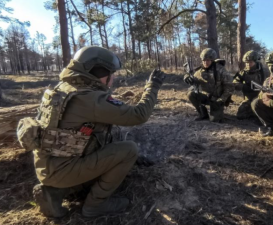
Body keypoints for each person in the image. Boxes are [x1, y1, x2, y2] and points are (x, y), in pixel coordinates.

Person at [27, 46, 165, 217]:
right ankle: (95, 205)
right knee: (129, 150)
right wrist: (152, 87)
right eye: (111, 73)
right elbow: (139, 115)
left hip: (48, 167)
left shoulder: (63, 88)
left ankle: (55, 193)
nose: (113, 78)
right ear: (100, 72)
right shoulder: (90, 99)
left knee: (106, 141)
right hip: (64, 169)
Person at [184, 48, 234, 122]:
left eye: (207, 60)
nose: (205, 63)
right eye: (204, 61)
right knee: (190, 94)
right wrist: (187, 77)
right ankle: (202, 114)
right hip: (206, 97)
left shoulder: (220, 70)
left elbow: (229, 87)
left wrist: (221, 100)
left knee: (214, 120)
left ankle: (216, 111)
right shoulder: (199, 71)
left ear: (212, 60)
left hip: (217, 99)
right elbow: (193, 83)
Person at [233, 50, 266, 120]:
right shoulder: (243, 72)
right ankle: (252, 111)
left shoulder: (264, 72)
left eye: (250, 62)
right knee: (240, 115)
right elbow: (235, 81)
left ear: (256, 62)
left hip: (262, 98)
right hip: (249, 98)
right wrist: (242, 86)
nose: (248, 64)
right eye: (246, 63)